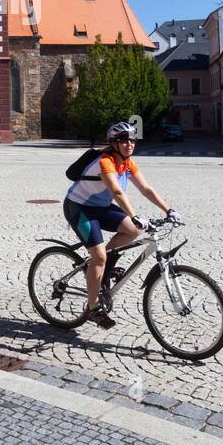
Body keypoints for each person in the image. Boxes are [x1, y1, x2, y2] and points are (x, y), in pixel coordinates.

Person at [64, 120, 181, 329]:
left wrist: (168, 210)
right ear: (114, 143)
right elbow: (118, 192)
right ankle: (92, 307)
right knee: (98, 256)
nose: (129, 144)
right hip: (79, 208)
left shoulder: (127, 162)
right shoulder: (105, 161)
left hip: (101, 207)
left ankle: (104, 263)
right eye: (123, 140)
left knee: (132, 230)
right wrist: (134, 214)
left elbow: (146, 188)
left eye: (132, 140)